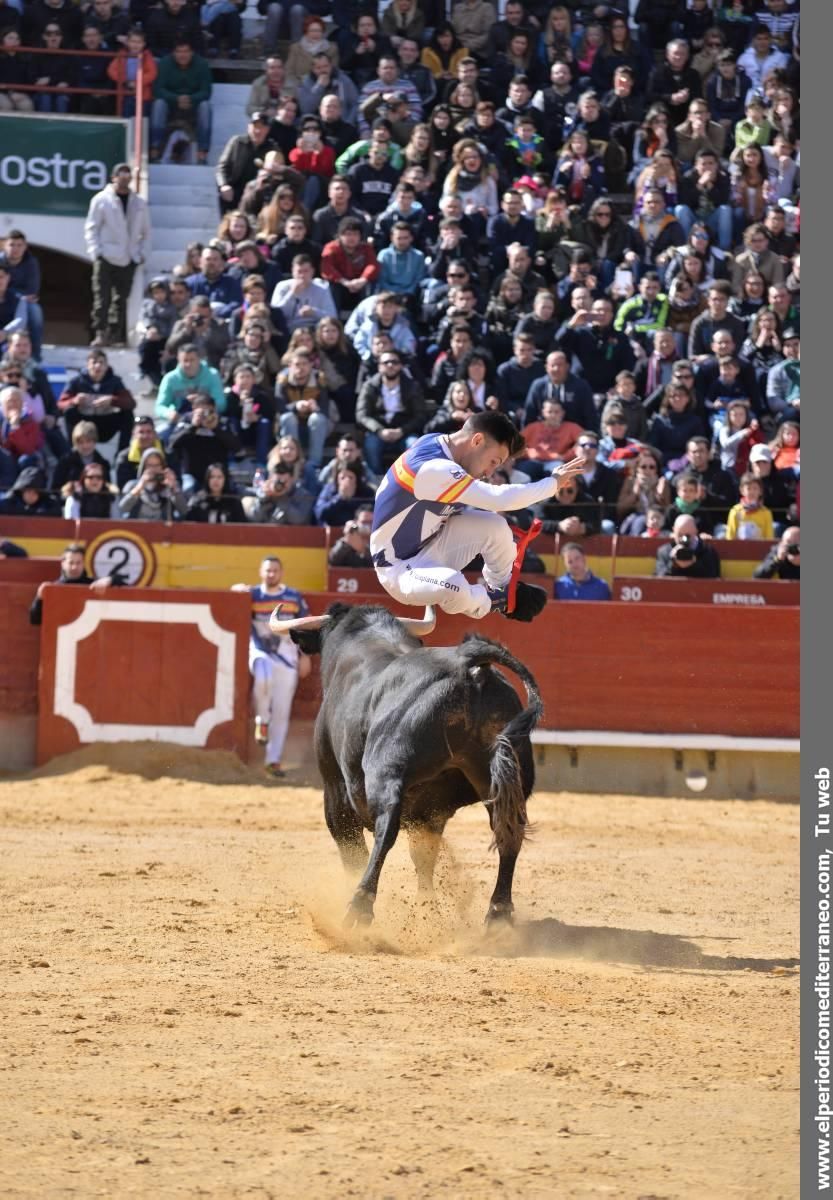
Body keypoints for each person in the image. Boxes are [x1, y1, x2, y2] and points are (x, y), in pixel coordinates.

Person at [370, 409, 586, 621]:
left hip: (431, 541)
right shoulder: (434, 469)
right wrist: (553, 483)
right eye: (494, 461)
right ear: (476, 440)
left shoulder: (438, 444)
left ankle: (505, 591)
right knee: (454, 584)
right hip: (399, 570)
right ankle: (491, 602)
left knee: (496, 526)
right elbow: (499, 499)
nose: (490, 473)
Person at [232, 556, 310, 778]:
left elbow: (304, 628)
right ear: (260, 572)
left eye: (275, 571)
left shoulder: (293, 597)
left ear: (281, 573)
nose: (271, 574)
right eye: (268, 571)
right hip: (260, 651)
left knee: (282, 712)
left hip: (287, 658)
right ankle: (262, 720)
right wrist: (237, 588)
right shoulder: (253, 594)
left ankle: (272, 761)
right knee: (262, 676)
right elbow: (230, 596)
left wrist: (305, 656)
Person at [84, 163, 150, 348]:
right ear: (114, 178)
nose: (124, 181)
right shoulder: (101, 200)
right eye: (121, 177)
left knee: (121, 299)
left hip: (129, 257)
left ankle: (115, 335)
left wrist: (142, 253)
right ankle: (100, 332)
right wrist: (95, 251)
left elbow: (146, 231)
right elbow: (92, 227)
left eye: (127, 178)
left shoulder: (139, 203)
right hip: (106, 255)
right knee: (101, 297)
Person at [150, 39, 213, 164]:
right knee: (158, 104)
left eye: (186, 51)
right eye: (179, 51)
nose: (182, 55)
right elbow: (158, 89)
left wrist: (191, 99)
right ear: (173, 53)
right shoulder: (165, 63)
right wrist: (175, 98)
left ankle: (202, 153)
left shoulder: (202, 64)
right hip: (170, 105)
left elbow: (206, 91)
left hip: (193, 105)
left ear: (192, 53)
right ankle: (154, 149)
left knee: (205, 107)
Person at [29, 543, 120, 627]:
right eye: (71, 562)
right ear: (63, 564)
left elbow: (124, 584)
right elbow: (35, 620)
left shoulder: (93, 584)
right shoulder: (54, 587)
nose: (74, 567)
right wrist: (39, 599)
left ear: (83, 564)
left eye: (78, 563)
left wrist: (109, 580)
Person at [654, 514, 721, 578]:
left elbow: (713, 579)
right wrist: (673, 564)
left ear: (695, 531)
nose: (683, 539)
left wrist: (694, 565)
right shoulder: (664, 551)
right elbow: (659, 580)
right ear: (673, 530)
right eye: (680, 535)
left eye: (688, 535)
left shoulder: (707, 551)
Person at [725, 472, 775, 540]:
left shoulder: (766, 512)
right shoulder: (735, 511)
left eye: (755, 488)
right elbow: (730, 537)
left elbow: (769, 538)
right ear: (742, 490)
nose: (752, 492)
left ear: (760, 491)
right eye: (748, 488)